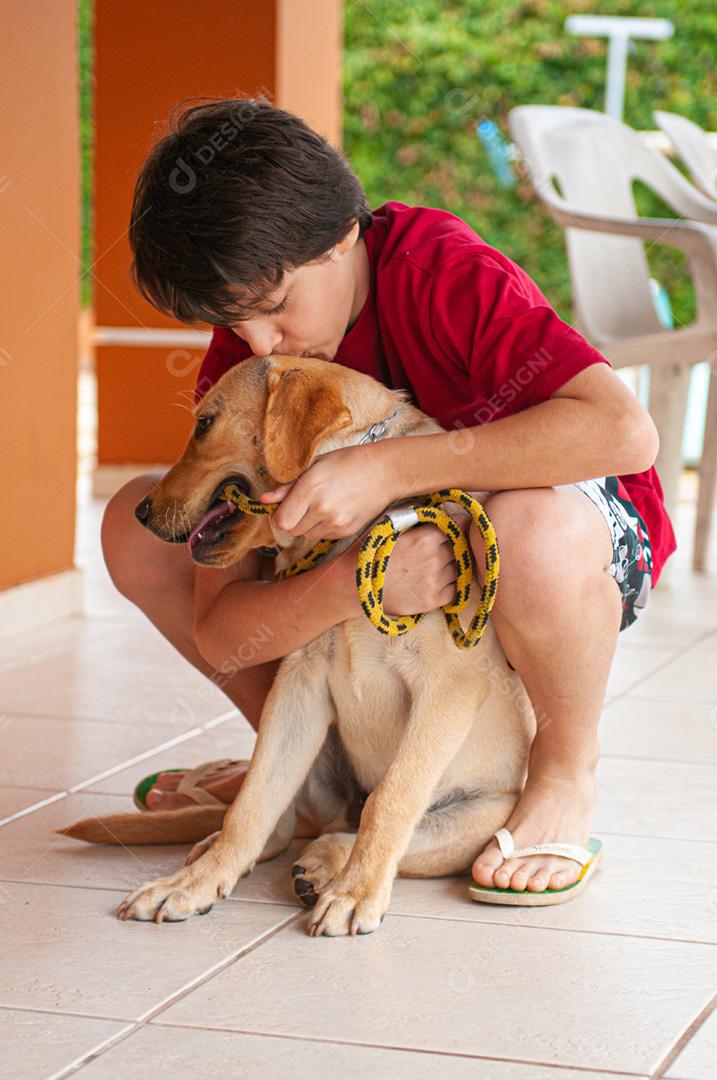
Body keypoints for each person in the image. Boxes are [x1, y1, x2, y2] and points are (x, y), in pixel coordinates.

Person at [103, 96, 676, 899]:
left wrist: (392, 468)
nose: (262, 344)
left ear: (342, 235)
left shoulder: (442, 269)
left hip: (558, 561)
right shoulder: (259, 359)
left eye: (272, 309)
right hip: (389, 598)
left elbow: (624, 433)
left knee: (527, 526)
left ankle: (562, 771)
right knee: (140, 530)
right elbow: (223, 626)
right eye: (237, 323)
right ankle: (320, 779)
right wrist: (351, 583)